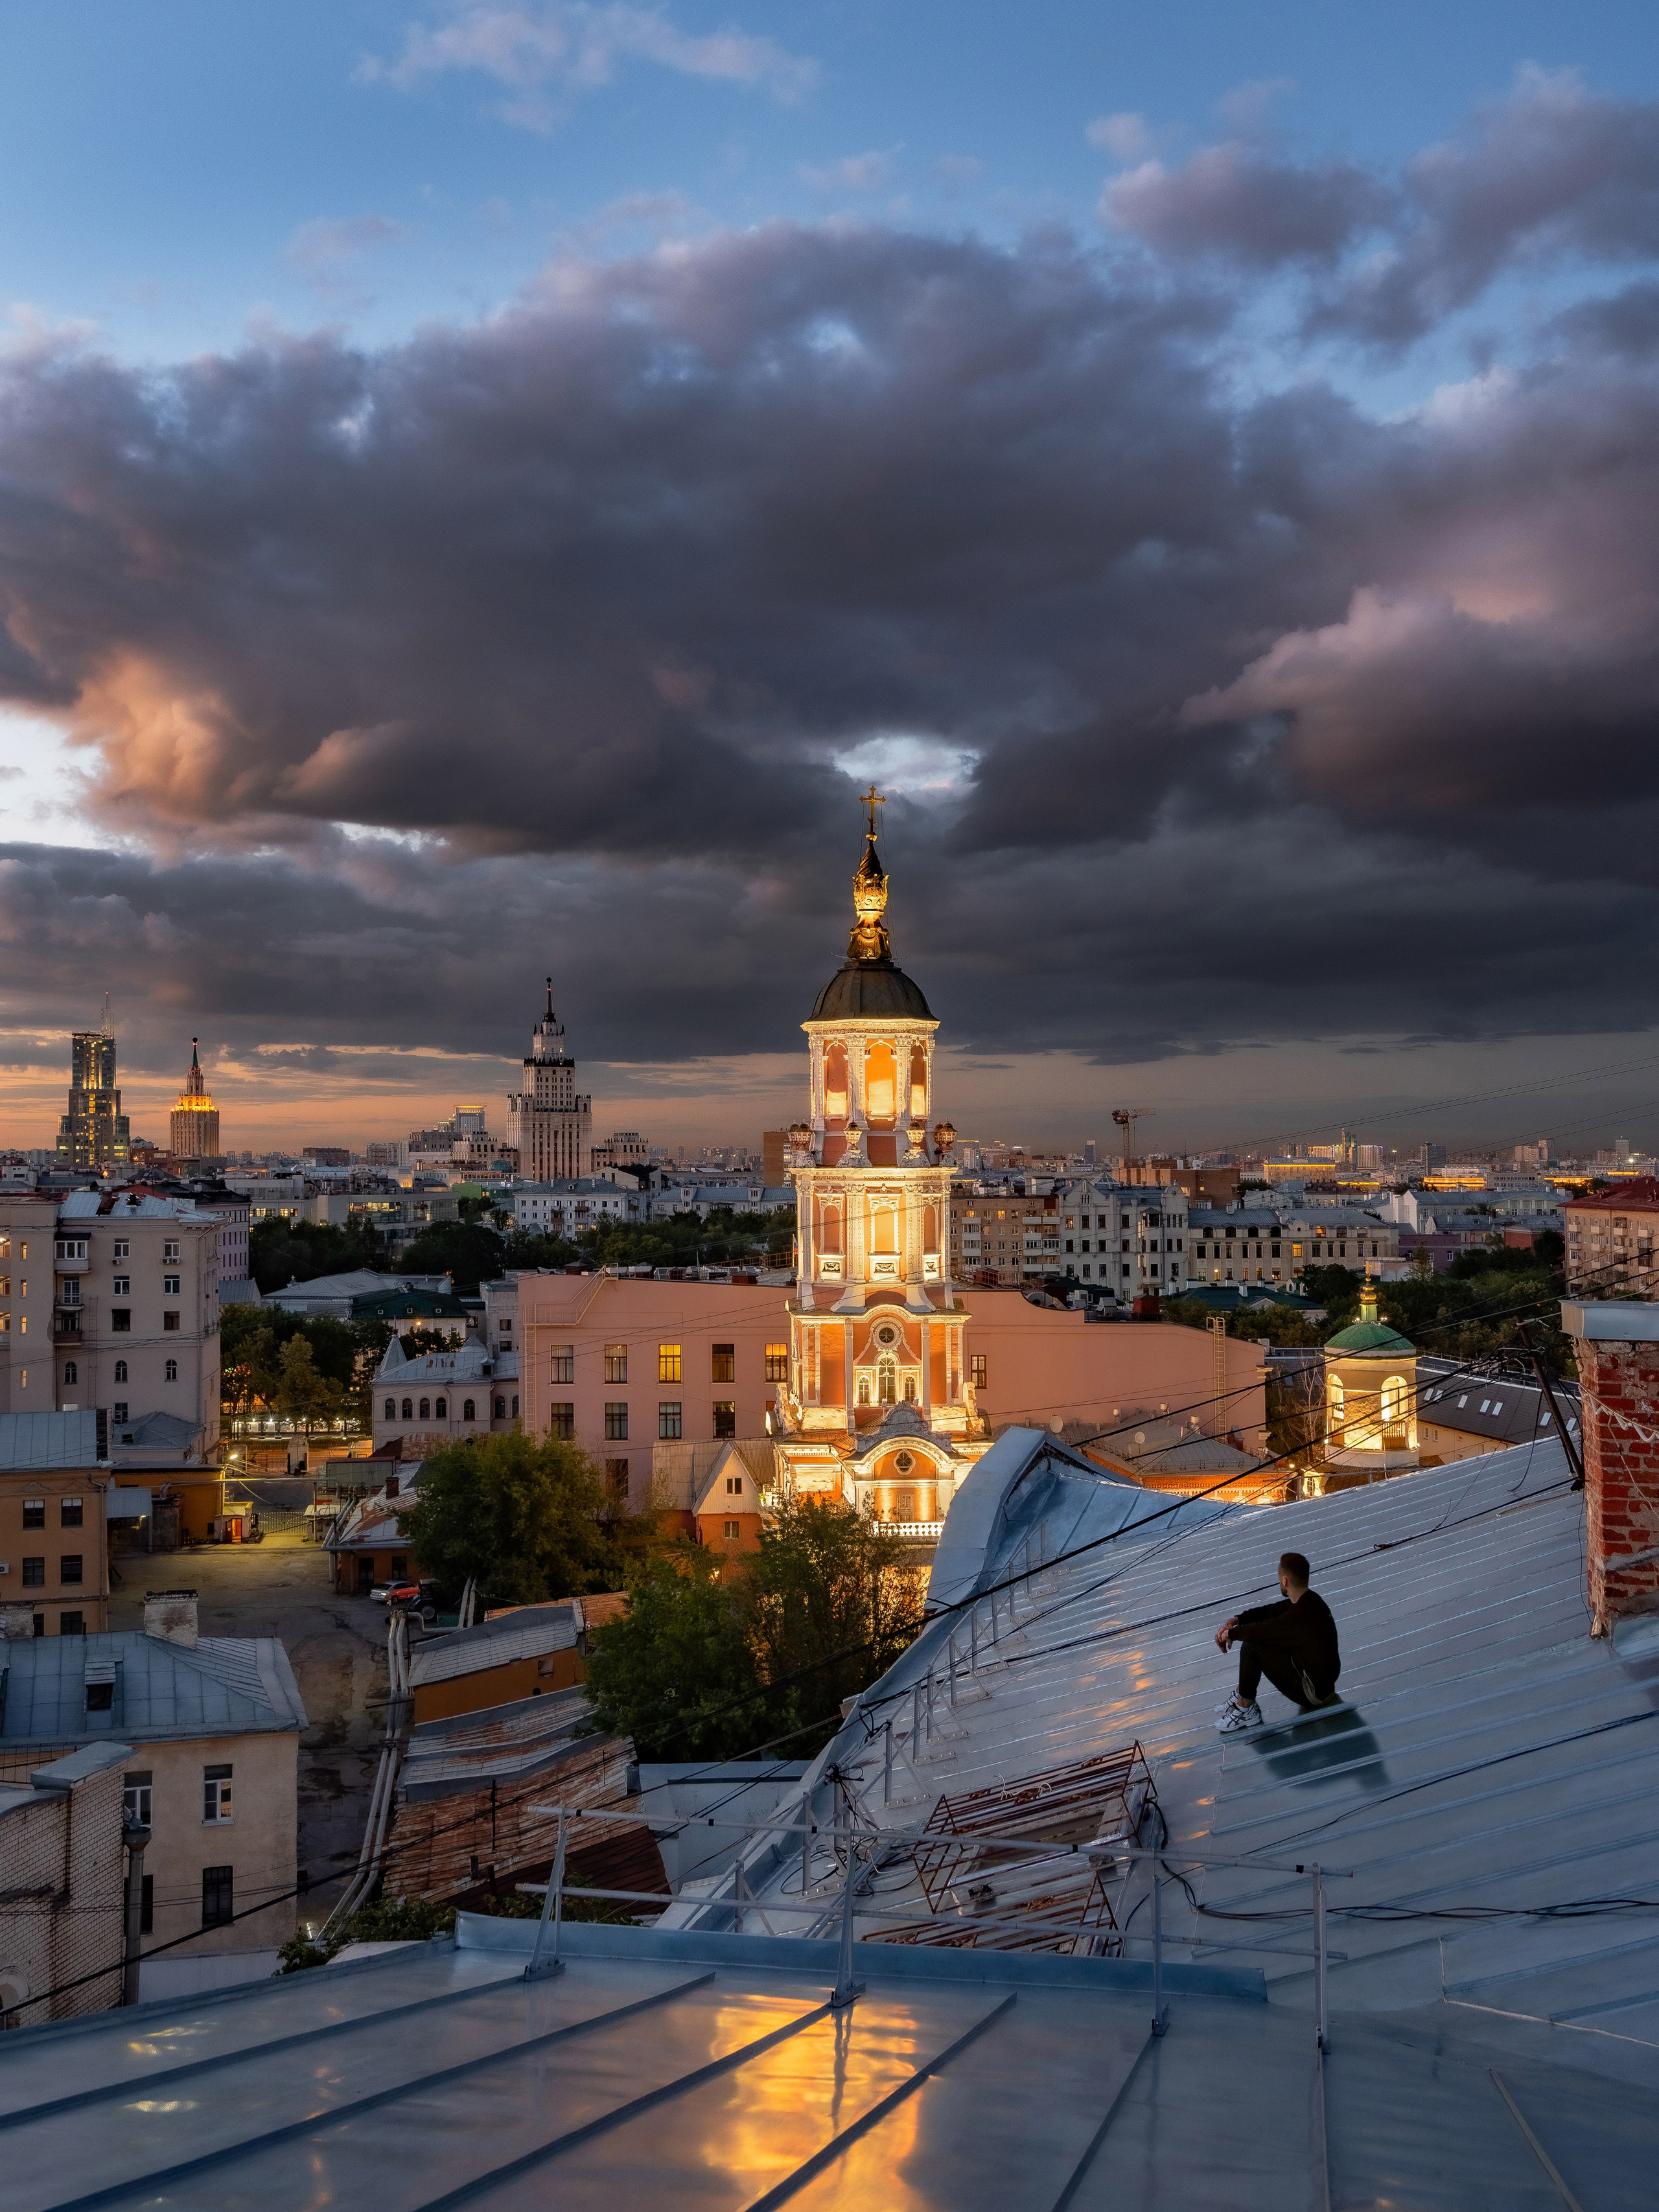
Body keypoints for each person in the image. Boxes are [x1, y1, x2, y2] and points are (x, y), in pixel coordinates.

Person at [1214, 1552, 1341, 1734]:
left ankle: (1245, 1707)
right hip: (1325, 1687)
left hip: (1313, 1693)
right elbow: (1271, 1611)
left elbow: (1261, 1631)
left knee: (1253, 1645)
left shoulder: (1298, 1617)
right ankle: (1242, 1696)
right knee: (1258, 1639)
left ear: (1284, 1581)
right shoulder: (1311, 1602)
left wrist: (1231, 1634)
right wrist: (1237, 1620)